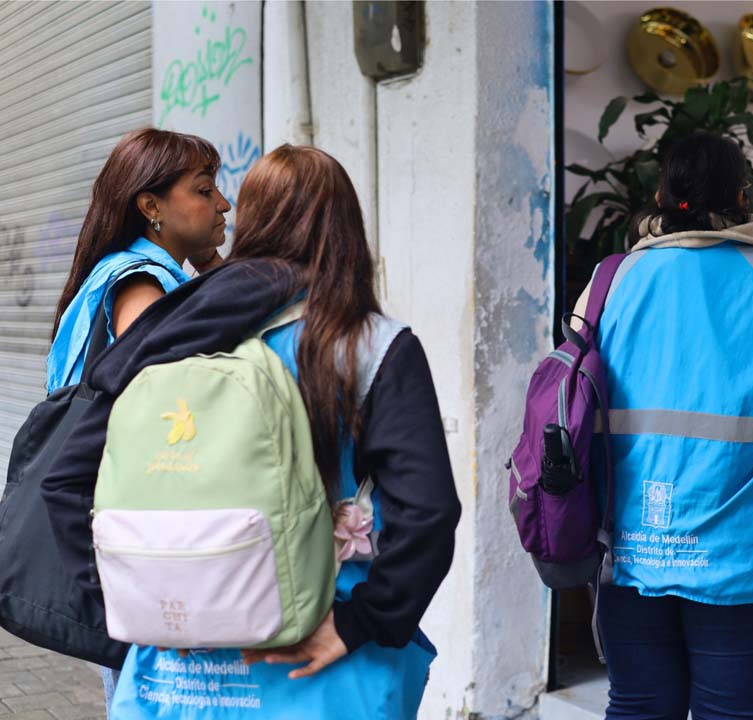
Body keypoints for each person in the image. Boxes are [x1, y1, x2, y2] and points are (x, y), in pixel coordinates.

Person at [41, 145, 460, 719]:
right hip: (322, 662)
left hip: (177, 680)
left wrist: (128, 611)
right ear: (346, 230)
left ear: (255, 223)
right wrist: (367, 620)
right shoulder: (370, 346)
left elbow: (63, 481)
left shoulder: (167, 332)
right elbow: (429, 510)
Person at [571, 132, 753, 719]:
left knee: (637, 707)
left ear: (659, 194)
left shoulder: (610, 282)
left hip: (630, 546)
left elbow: (574, 403)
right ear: (743, 195)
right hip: (745, 556)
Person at [44, 127, 229, 716]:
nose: (223, 204)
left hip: (132, 527)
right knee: (152, 696)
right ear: (150, 207)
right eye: (204, 190)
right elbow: (179, 396)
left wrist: (210, 264)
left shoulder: (139, 272)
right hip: (144, 534)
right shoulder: (139, 284)